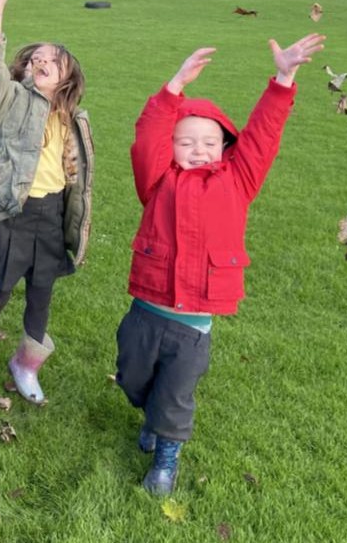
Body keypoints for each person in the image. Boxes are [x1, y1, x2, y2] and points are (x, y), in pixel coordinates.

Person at [117, 33, 325, 496]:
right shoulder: (156, 180)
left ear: (225, 146)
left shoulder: (238, 179)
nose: (197, 150)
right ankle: (150, 416)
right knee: (131, 377)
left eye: (209, 142)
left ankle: (166, 459)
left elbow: (263, 135)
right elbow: (147, 137)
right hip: (147, 310)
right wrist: (173, 87)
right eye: (186, 142)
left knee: (175, 393)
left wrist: (283, 77)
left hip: (194, 326)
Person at [0, 0, 94, 406]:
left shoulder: (74, 118)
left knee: (41, 296)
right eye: (36, 57)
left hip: (51, 219)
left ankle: (25, 365)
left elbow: (80, 184)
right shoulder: (10, 98)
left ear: (67, 76)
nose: (41, 61)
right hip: (14, 214)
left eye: (52, 60)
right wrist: (0, 0)